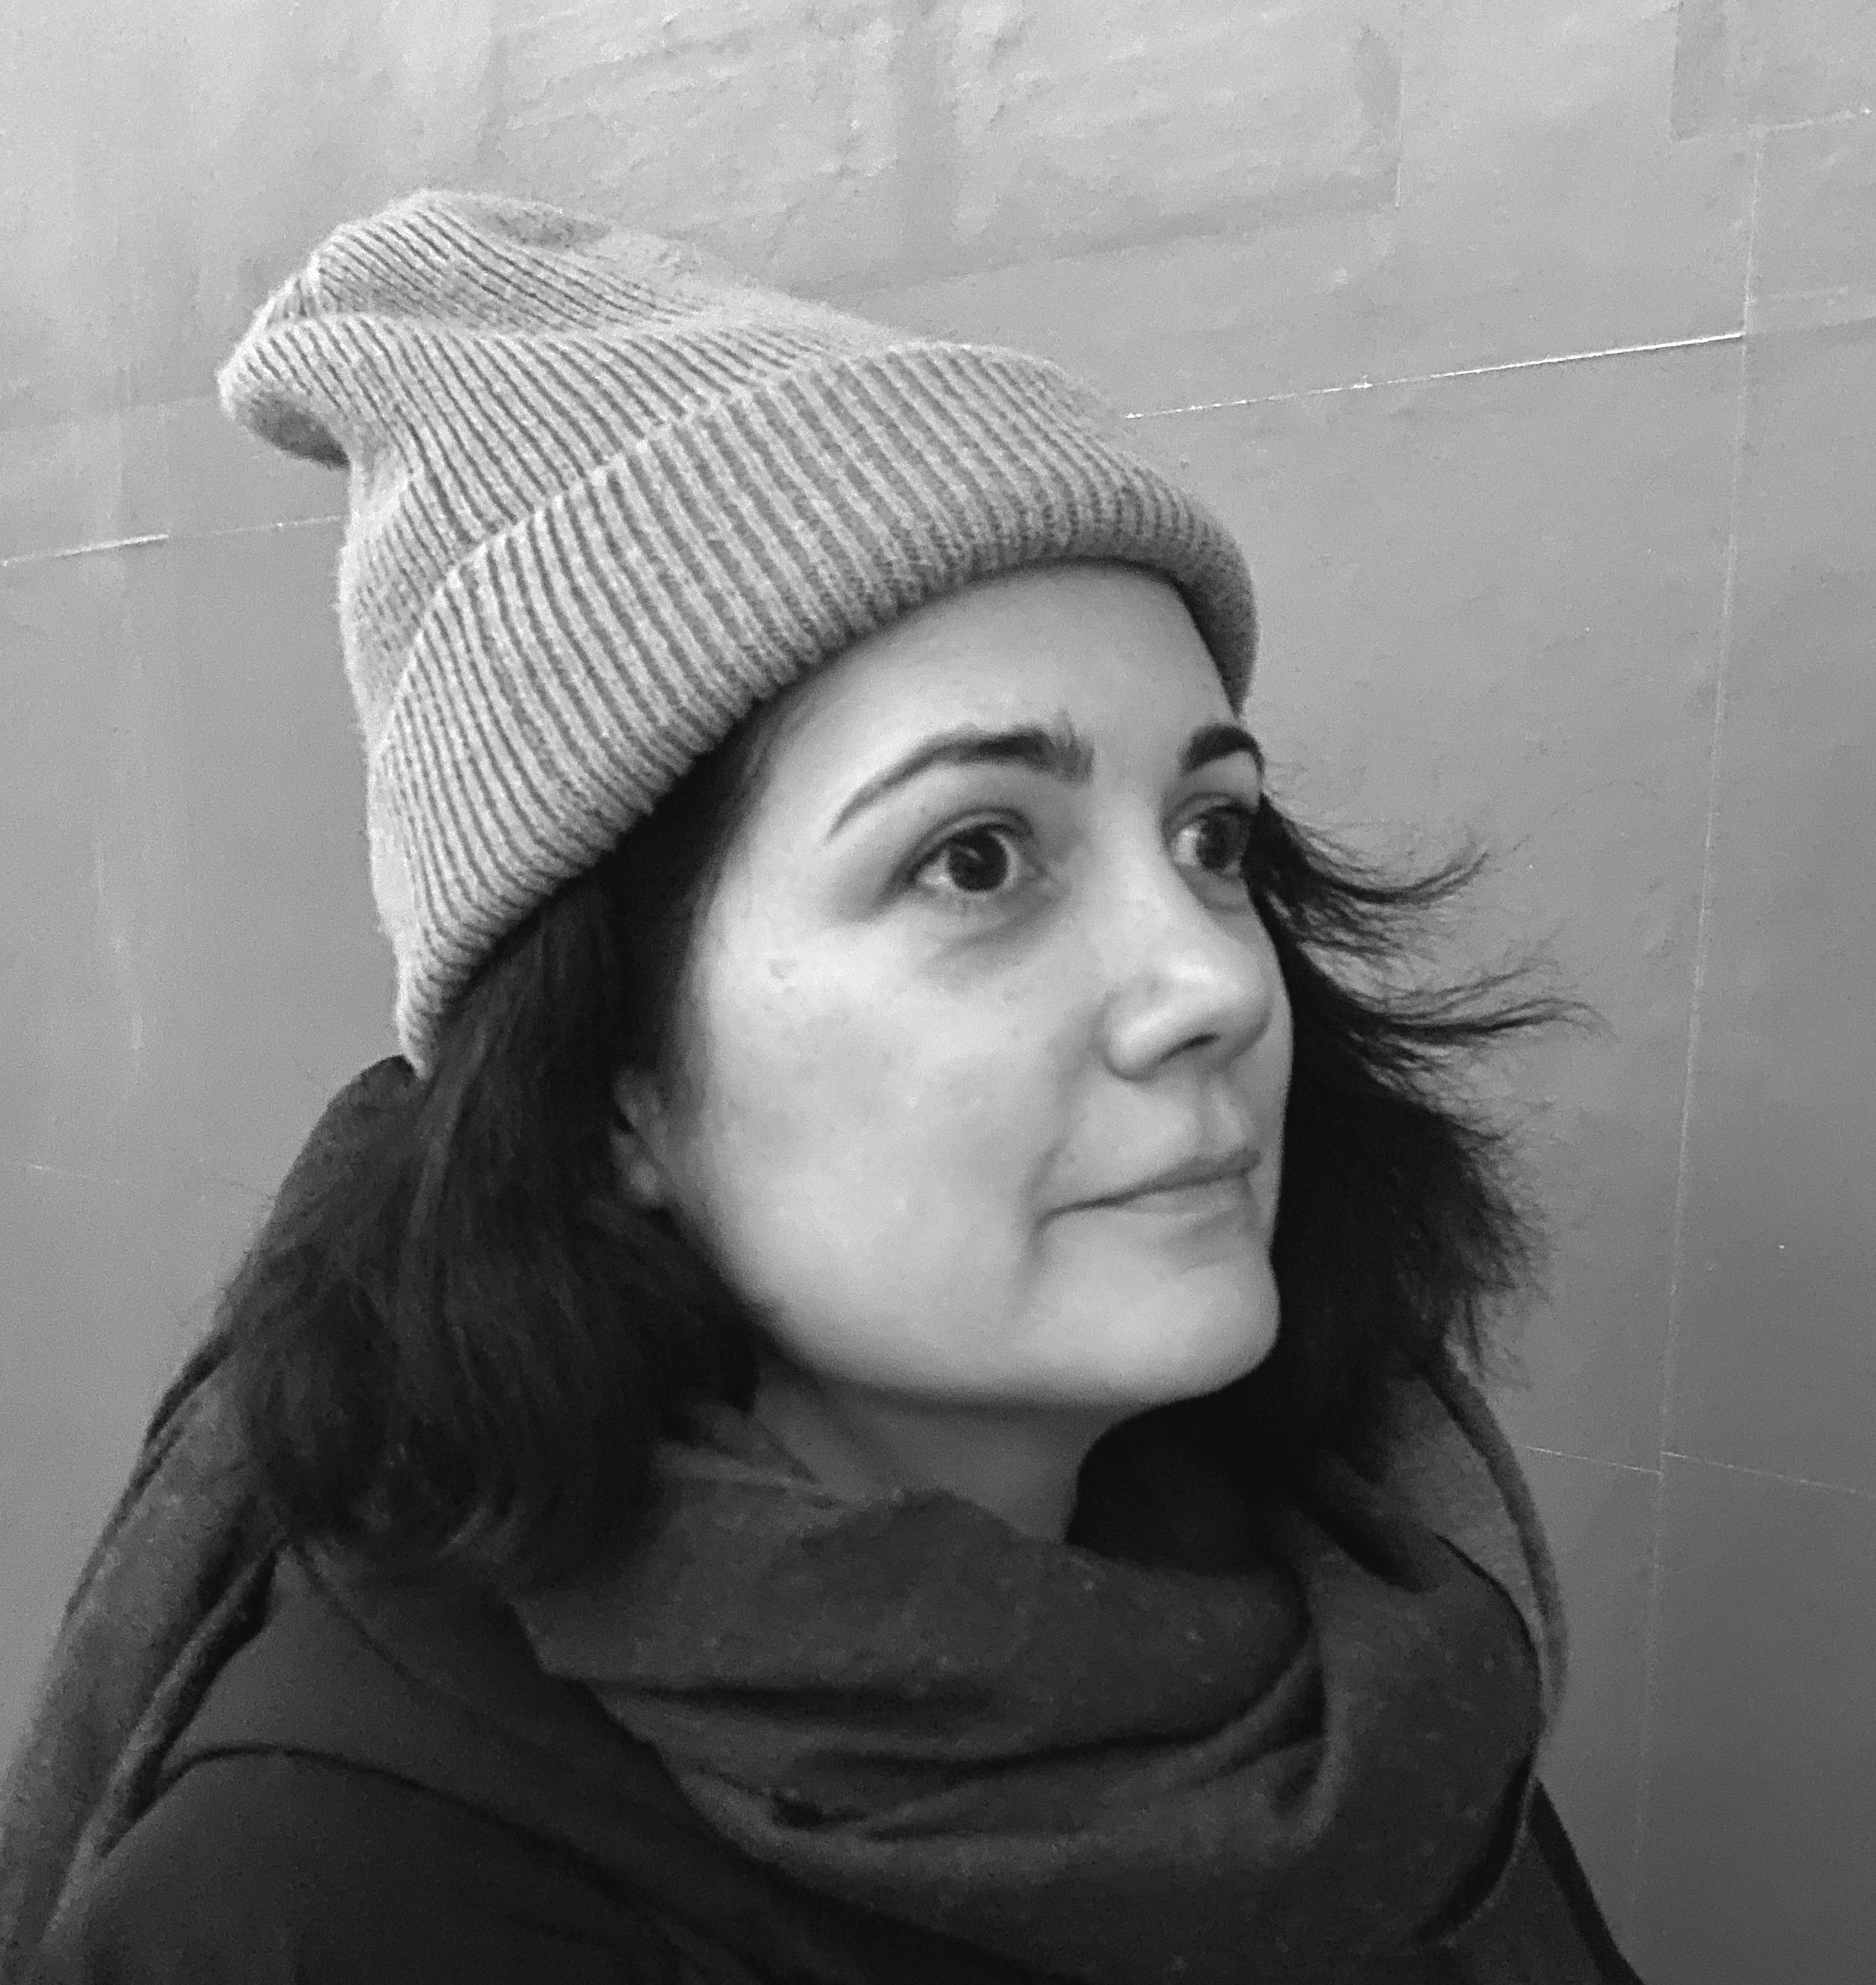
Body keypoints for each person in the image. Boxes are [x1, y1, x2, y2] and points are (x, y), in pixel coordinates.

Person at [1, 188, 1643, 1983]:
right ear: (609, 1085)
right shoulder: (337, 1902)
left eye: (1212, 834)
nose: (1212, 982)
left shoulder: (1350, 1668)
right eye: (975, 858)